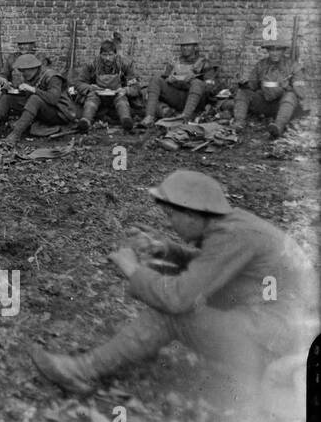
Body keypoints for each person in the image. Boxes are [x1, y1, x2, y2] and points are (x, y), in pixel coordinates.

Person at [32, 170, 317, 402]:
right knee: (173, 290)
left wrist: (132, 269)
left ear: (193, 214)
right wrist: (165, 250)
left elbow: (178, 298)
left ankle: (83, 372)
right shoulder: (234, 225)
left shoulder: (232, 235)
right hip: (283, 327)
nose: (170, 223)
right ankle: (135, 349)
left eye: (172, 217)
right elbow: (213, 265)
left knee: (170, 314)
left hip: (281, 344)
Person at [0, 52, 76, 144]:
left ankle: (14, 136)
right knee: (7, 98)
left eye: (24, 71)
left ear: (33, 68)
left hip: (59, 113)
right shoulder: (33, 76)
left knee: (34, 99)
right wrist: (12, 89)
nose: (22, 74)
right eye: (21, 71)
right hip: (42, 109)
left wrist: (32, 89)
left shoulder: (52, 76)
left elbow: (53, 99)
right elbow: (30, 96)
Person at [231, 39, 305, 138]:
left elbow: (301, 93)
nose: (274, 53)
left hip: (282, 107)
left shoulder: (293, 66)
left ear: (284, 51)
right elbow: (253, 86)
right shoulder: (261, 65)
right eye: (271, 50)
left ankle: (278, 126)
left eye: (278, 50)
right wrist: (244, 84)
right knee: (243, 92)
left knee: (290, 96)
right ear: (267, 51)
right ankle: (239, 123)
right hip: (264, 103)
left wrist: (287, 86)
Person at [141, 33, 212, 126]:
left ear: (195, 47)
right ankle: (149, 117)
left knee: (197, 83)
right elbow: (164, 79)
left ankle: (184, 117)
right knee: (156, 79)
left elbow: (210, 88)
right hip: (177, 96)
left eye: (188, 45)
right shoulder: (174, 62)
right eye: (182, 46)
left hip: (195, 99)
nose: (184, 48)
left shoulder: (204, 63)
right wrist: (169, 80)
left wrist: (193, 81)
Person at [74, 38, 137, 131]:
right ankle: (86, 121)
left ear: (115, 54)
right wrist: (90, 87)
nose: (108, 58)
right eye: (104, 55)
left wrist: (125, 90)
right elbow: (79, 83)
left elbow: (135, 86)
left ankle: (126, 120)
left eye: (110, 55)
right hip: (97, 94)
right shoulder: (91, 65)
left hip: (117, 93)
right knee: (91, 99)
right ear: (100, 55)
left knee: (122, 99)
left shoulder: (124, 65)